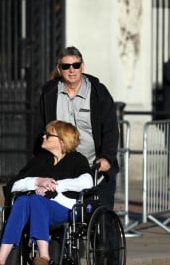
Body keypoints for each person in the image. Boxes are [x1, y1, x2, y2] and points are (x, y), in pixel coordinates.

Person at [0, 120, 92, 265]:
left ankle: (44, 256)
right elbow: (14, 185)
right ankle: (0, 259)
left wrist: (54, 186)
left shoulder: (77, 160)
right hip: (38, 207)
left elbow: (87, 182)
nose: (43, 137)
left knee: (35, 200)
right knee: (21, 201)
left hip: (65, 209)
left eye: (48, 135)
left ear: (61, 140)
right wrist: (38, 181)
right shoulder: (41, 160)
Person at [38, 46, 119, 211]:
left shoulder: (98, 92)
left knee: (101, 221)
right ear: (59, 69)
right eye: (66, 66)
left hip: (95, 169)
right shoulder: (49, 94)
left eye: (76, 65)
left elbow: (111, 129)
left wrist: (107, 157)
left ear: (83, 66)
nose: (72, 70)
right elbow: (39, 130)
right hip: (61, 171)